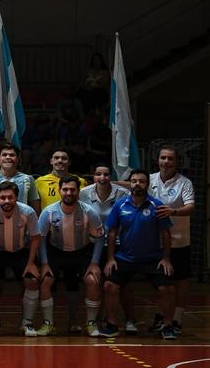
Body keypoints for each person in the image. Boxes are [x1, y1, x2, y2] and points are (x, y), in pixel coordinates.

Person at [99, 169, 176, 340]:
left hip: (152, 259)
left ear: (147, 184)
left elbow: (165, 233)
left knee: (168, 288)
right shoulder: (120, 205)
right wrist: (111, 258)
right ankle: (112, 325)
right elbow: (111, 232)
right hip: (125, 257)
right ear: (130, 184)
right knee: (109, 286)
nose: (137, 185)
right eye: (134, 181)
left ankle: (168, 326)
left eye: (141, 181)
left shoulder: (157, 205)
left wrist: (166, 258)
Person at [36, 176, 104, 336]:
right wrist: (44, 263)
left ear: (78, 192)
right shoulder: (49, 212)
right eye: (65, 189)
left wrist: (94, 263)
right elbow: (40, 238)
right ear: (59, 191)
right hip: (56, 253)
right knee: (45, 281)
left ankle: (91, 324)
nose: (69, 192)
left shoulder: (89, 211)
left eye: (72, 189)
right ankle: (48, 324)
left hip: (82, 252)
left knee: (93, 281)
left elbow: (100, 237)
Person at [0, 181, 42, 337]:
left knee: (32, 280)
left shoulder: (28, 211)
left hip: (20, 252)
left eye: (10, 197)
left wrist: (32, 262)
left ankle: (27, 323)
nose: (6, 201)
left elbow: (35, 237)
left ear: (17, 198)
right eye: (2, 197)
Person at [79, 163, 133, 335]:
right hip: (92, 244)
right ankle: (97, 320)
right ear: (93, 176)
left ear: (111, 176)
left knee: (121, 284)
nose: (102, 178)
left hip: (117, 245)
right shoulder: (84, 193)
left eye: (106, 174)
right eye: (98, 174)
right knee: (96, 281)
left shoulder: (123, 193)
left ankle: (130, 320)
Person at [147, 146, 194, 334]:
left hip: (178, 241)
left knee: (179, 281)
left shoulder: (184, 183)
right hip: (154, 242)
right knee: (160, 283)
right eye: (163, 158)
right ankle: (162, 314)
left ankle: (177, 319)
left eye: (170, 159)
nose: (166, 162)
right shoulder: (149, 179)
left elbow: (190, 207)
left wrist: (173, 211)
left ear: (176, 162)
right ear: (157, 160)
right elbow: (130, 185)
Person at [0, 142, 41, 212]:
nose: (8, 157)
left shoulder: (28, 179)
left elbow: (36, 207)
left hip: (21, 222)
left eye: (12, 155)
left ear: (18, 159)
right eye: (4, 155)